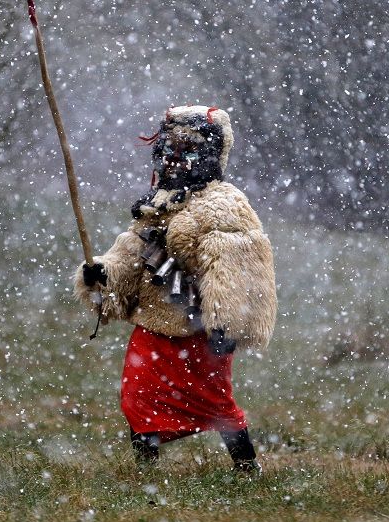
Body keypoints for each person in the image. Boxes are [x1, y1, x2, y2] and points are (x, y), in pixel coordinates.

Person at [75, 105, 277, 472]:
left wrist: (226, 324)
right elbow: (130, 254)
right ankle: (146, 470)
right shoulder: (156, 205)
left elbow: (234, 269)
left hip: (201, 328)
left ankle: (247, 467)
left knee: (216, 403)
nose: (176, 161)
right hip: (154, 324)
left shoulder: (226, 206)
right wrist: (101, 274)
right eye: (170, 151)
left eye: (188, 152)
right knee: (138, 396)